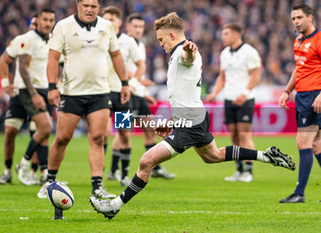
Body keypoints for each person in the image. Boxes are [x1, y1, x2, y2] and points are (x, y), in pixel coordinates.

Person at [89, 12, 295, 219]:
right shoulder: (176, 53)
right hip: (193, 116)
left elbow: (189, 57)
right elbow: (182, 93)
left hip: (189, 123)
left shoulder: (182, 52)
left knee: (146, 161)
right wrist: (171, 121)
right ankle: (265, 155)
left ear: (171, 36)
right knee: (213, 156)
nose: (160, 44)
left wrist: (189, 50)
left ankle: (114, 205)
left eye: (161, 39)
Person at [37, 0, 130, 199]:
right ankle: (49, 182)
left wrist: (124, 82)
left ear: (98, 7)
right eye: (85, 5)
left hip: (99, 92)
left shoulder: (107, 27)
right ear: (78, 5)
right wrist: (52, 87)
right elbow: (53, 58)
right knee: (62, 139)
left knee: (98, 138)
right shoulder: (63, 26)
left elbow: (116, 55)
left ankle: (97, 186)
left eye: (93, 6)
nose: (89, 9)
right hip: (71, 93)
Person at [0, 13, 49, 185]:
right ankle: (7, 171)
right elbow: (4, 60)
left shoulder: (51, 42)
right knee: (10, 131)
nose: (35, 26)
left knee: (40, 132)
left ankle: (37, 172)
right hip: (20, 92)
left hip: (43, 90)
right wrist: (5, 83)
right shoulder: (22, 40)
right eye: (33, 23)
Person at [207, 23, 261, 182]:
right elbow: (222, 77)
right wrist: (215, 92)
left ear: (237, 34)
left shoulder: (249, 52)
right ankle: (238, 169)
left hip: (245, 99)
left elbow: (256, 75)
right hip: (229, 98)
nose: (223, 37)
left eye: (226, 33)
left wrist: (244, 93)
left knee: (244, 135)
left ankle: (249, 171)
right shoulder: (224, 53)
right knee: (234, 136)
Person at [279, 4, 321, 203]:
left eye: (299, 17)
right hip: (303, 96)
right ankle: (299, 193)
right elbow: (299, 68)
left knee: (302, 142)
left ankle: (299, 193)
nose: (296, 21)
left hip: (315, 95)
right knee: (316, 145)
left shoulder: (319, 39)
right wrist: (287, 91)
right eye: (293, 18)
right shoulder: (297, 41)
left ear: (310, 17)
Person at [126, 13, 176, 180]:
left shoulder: (140, 44)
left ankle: (154, 167)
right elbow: (118, 67)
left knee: (149, 129)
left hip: (139, 94)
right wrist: (136, 81)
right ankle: (117, 172)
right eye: (135, 26)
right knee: (123, 133)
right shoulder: (122, 43)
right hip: (127, 94)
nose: (138, 30)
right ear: (128, 27)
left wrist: (145, 92)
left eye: (141, 27)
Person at [101, 6, 146, 186]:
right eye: (106, 19)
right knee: (102, 134)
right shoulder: (97, 39)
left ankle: (125, 175)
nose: (109, 23)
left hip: (121, 94)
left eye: (112, 19)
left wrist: (132, 83)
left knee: (124, 133)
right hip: (102, 93)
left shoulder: (128, 41)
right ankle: (100, 175)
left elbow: (140, 65)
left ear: (119, 22)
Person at [12, 8, 56, 186]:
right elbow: (22, 68)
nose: (48, 23)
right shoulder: (28, 39)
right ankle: (23, 163)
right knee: (45, 127)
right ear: (37, 20)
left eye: (51, 20)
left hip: (45, 88)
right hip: (30, 90)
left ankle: (44, 173)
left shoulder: (51, 39)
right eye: (45, 19)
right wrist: (34, 94)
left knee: (44, 134)